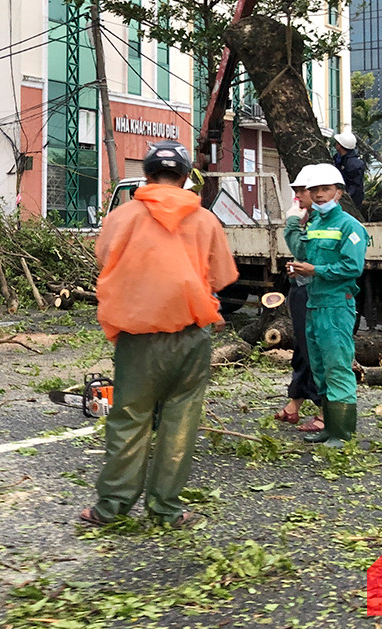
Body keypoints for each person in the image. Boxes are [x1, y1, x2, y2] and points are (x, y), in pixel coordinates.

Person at [80, 140, 239, 528]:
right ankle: (166, 509)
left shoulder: (123, 216)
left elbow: (103, 258)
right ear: (185, 178)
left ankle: (111, 508)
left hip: (139, 337)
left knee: (129, 419)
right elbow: (223, 277)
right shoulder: (205, 220)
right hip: (192, 336)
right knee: (180, 422)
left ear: (147, 175)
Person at [286, 163, 368, 448]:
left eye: (325, 190)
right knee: (319, 367)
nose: (319, 195)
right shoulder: (315, 224)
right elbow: (307, 256)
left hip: (336, 306)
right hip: (315, 304)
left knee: (337, 367)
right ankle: (330, 427)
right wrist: (299, 270)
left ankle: (342, 434)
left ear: (339, 193)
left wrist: (315, 271)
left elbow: (352, 266)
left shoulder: (350, 226)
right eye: (315, 190)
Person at [275, 167, 325, 434]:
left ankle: (324, 409)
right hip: (303, 289)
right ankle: (295, 401)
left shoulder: (320, 221)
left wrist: (292, 225)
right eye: (295, 191)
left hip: (318, 295)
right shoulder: (311, 219)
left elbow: (304, 250)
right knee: (302, 348)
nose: (297, 196)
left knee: (314, 350)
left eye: (301, 191)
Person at [332, 131, 366, 207]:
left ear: (340, 145)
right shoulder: (338, 158)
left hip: (353, 201)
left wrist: (346, 197)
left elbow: (354, 185)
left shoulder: (354, 164)